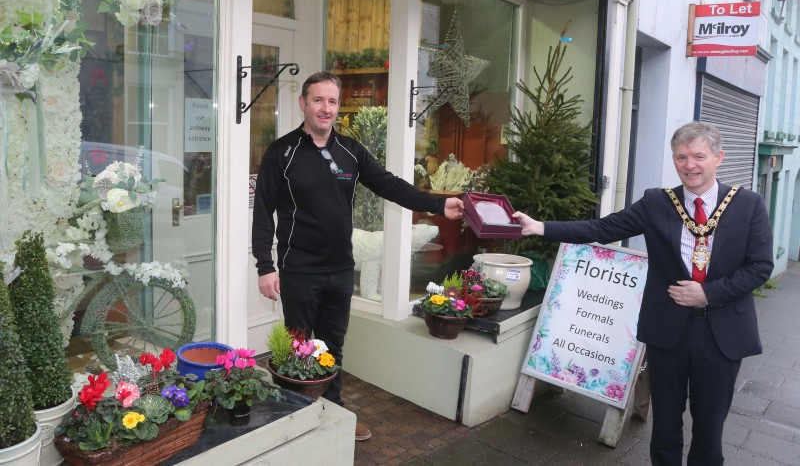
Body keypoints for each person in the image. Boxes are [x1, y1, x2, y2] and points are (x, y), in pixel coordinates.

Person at [512, 121, 773, 466]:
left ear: (718, 158)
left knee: (710, 429)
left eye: (698, 156)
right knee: (665, 425)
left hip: (722, 331)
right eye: (681, 157)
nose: (689, 165)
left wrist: (707, 293)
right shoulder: (657, 202)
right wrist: (540, 227)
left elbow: (759, 267)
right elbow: (603, 228)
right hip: (668, 329)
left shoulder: (747, 205)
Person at [252, 72, 464, 442]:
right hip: (298, 269)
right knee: (297, 347)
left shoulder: (350, 151)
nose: (325, 108)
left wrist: (438, 203)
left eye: (332, 102)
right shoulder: (281, 153)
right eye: (318, 100)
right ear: (303, 104)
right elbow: (263, 212)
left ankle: (332, 410)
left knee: (333, 347)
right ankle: (293, 416)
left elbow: (390, 185)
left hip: (339, 270)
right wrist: (265, 267)